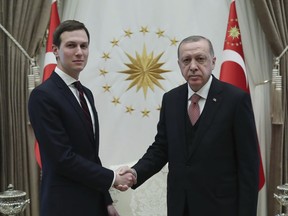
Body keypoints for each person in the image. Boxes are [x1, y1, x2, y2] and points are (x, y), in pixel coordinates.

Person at [119, 35, 259, 216]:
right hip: (180, 207)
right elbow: (161, 148)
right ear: (179, 65)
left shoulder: (236, 100)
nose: (193, 66)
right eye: (186, 60)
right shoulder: (171, 100)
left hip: (222, 208)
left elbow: (248, 166)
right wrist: (135, 173)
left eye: (200, 59)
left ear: (213, 62)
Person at [28, 20, 135, 216]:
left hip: (94, 204)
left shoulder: (86, 94)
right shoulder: (43, 96)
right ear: (56, 51)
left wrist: (106, 200)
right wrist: (112, 178)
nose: (79, 52)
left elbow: (90, 155)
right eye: (71, 45)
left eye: (84, 46)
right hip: (64, 206)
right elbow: (62, 158)